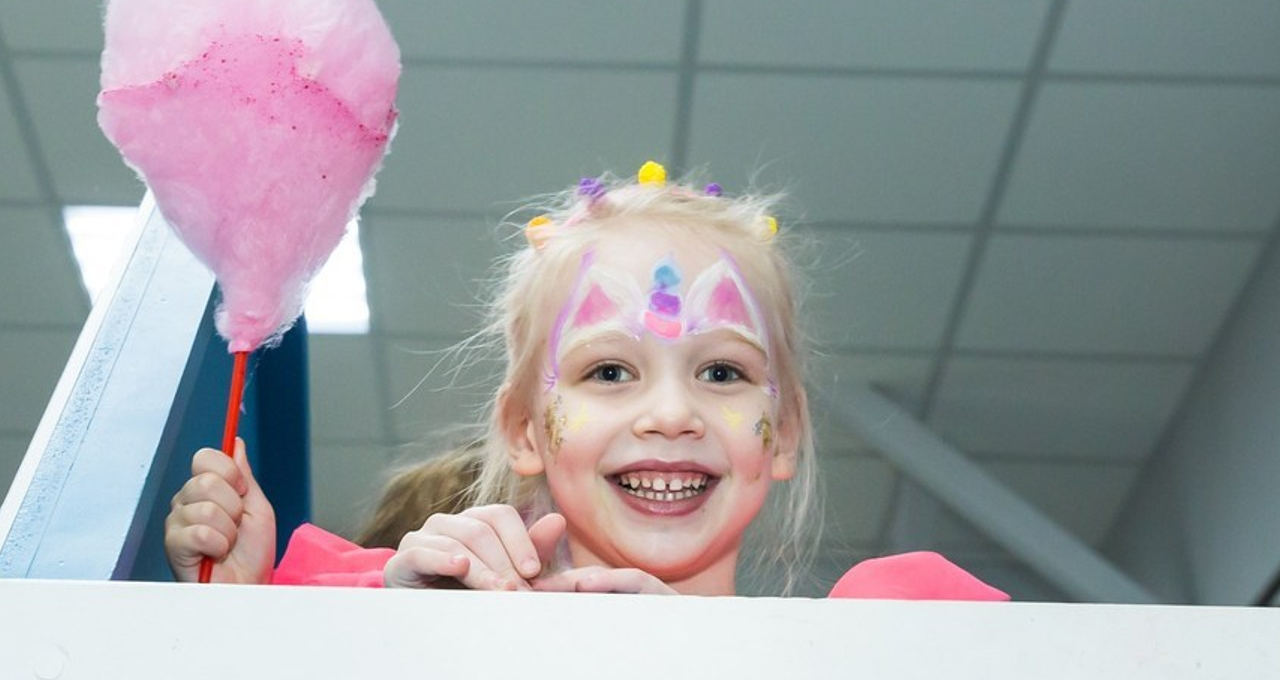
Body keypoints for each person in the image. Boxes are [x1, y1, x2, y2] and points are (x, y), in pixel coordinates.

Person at [164, 164, 1007, 600]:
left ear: (782, 434)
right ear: (526, 430)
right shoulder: (414, 615)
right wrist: (247, 608)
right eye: (609, 370)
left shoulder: (887, 646)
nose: (672, 413)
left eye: (722, 371)